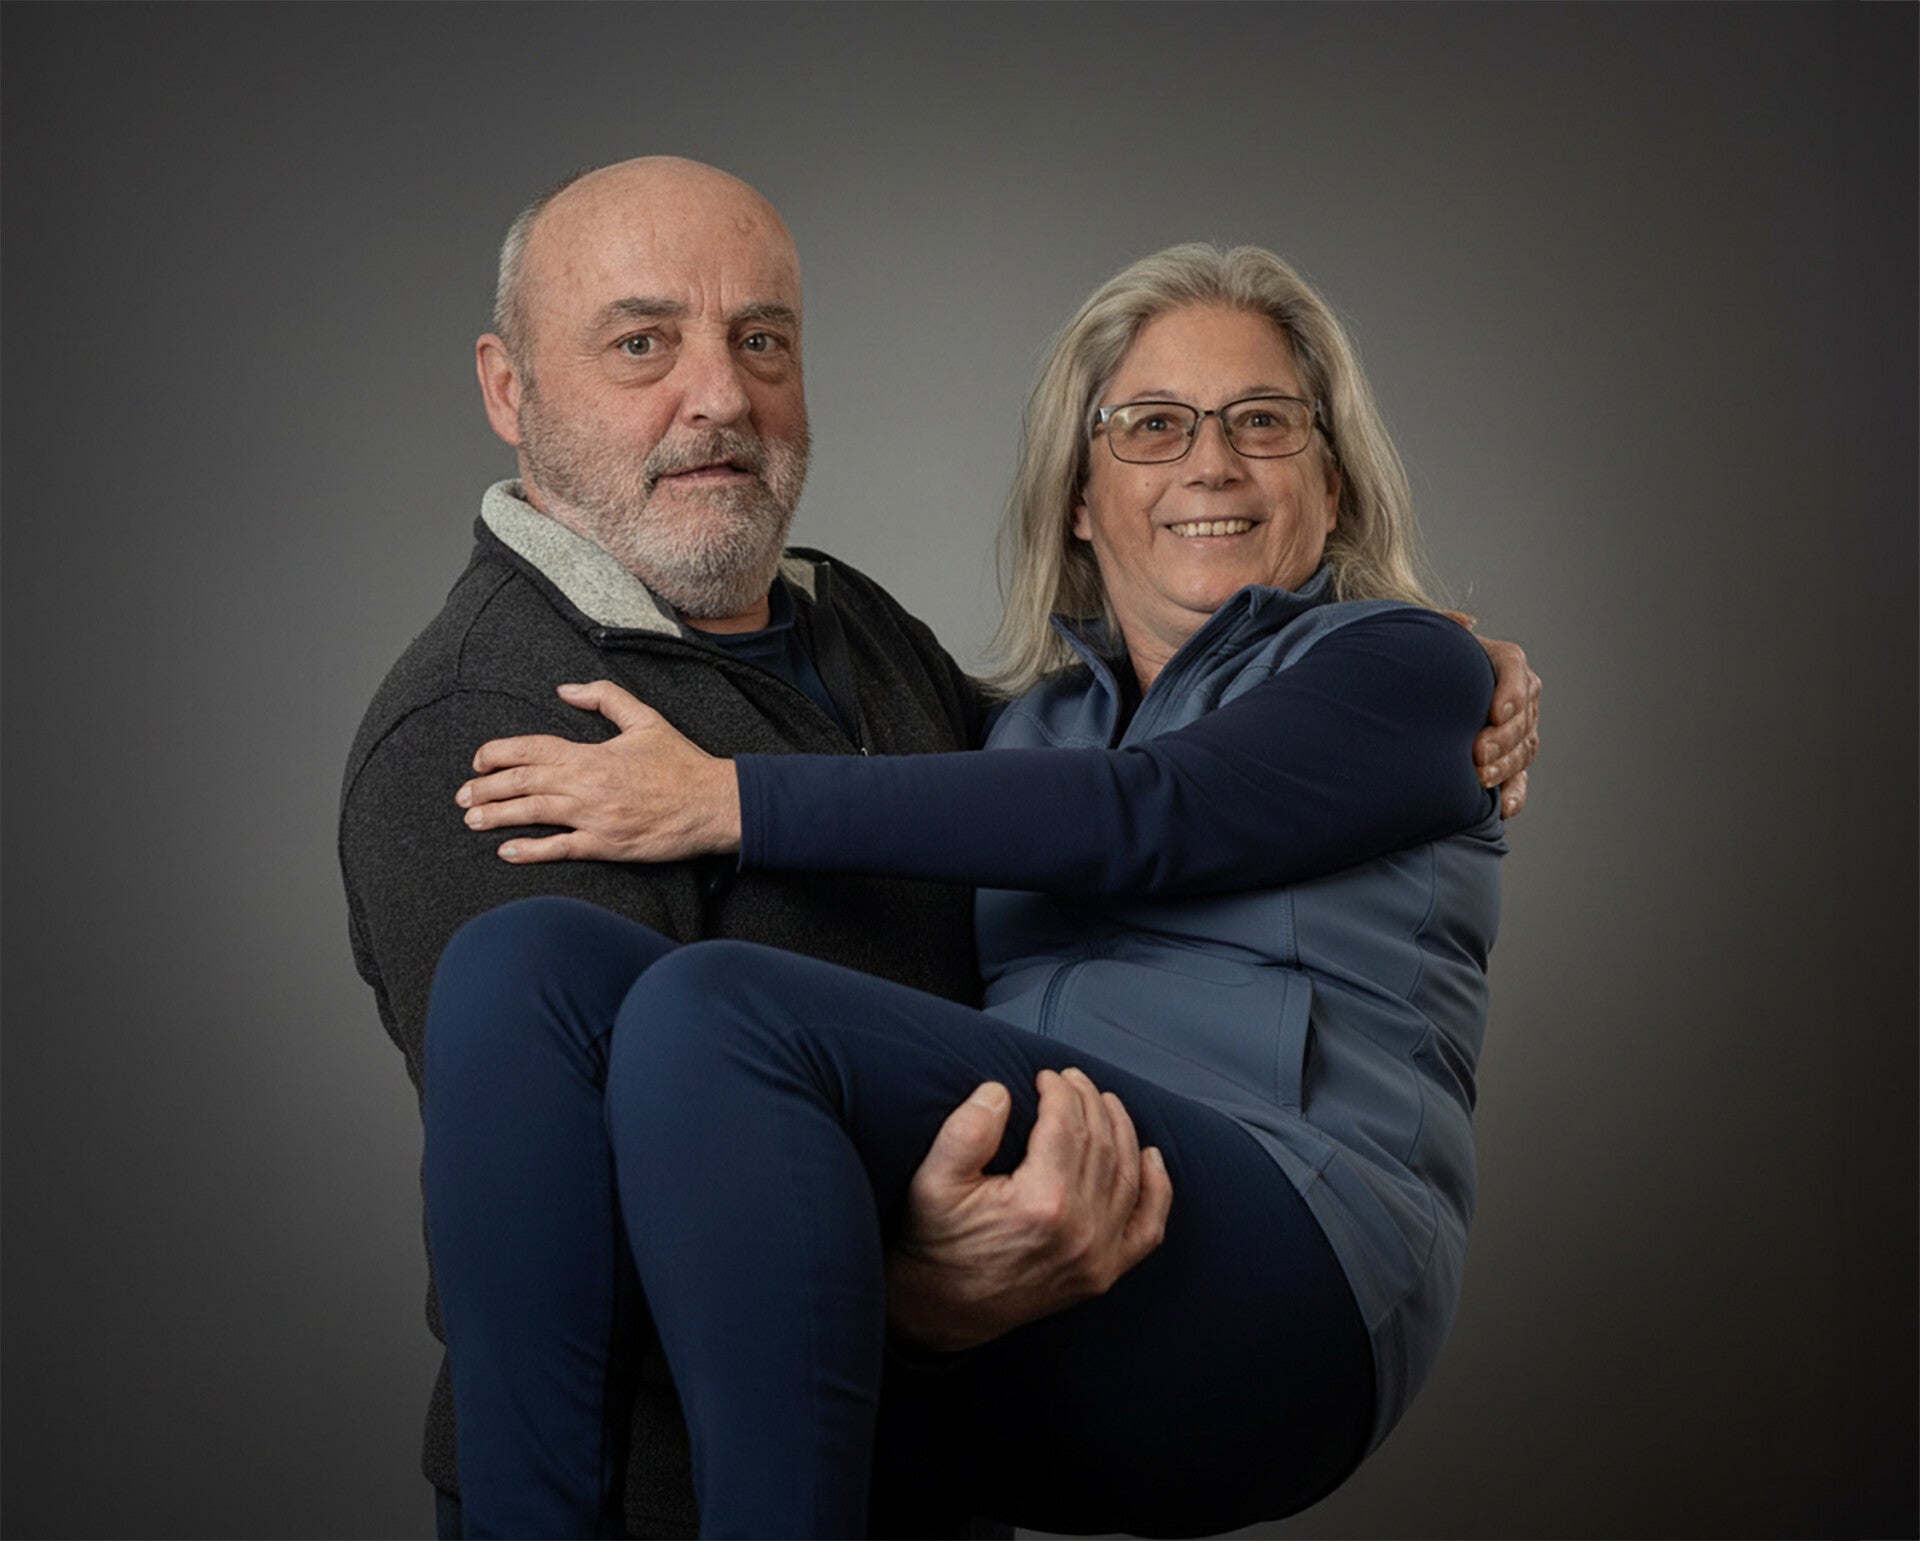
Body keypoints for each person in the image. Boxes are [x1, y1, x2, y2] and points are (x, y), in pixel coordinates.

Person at [341, 156, 1539, 1536]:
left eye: (1263, 422)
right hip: (926, 1335)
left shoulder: (1396, 671)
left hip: (1280, 1245)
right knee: (519, 966)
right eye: (1151, 425)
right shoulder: (1020, 728)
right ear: (1078, 496)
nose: (1210, 461)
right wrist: (916, 1294)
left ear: (1334, 480)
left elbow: (1155, 807)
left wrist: (725, 799)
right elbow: (1012, 799)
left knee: (716, 1011)